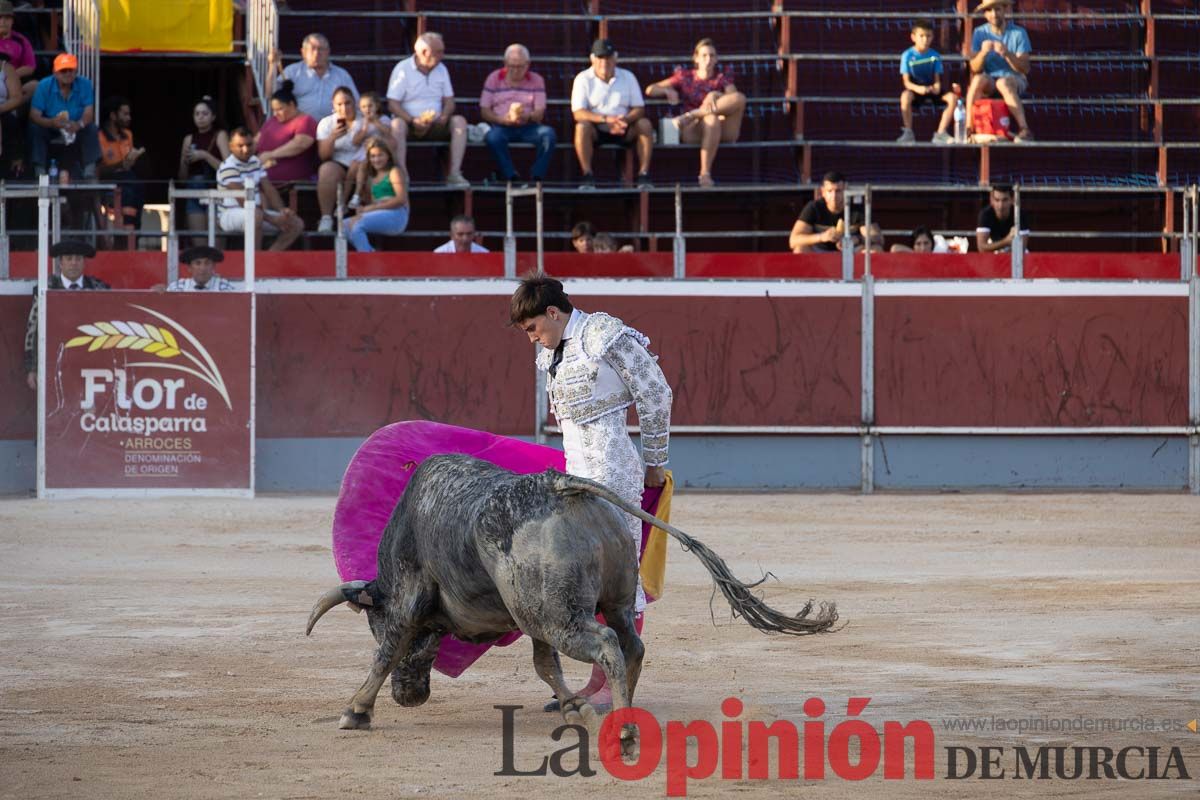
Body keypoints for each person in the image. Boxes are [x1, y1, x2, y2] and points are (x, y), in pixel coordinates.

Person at [509, 273, 672, 711]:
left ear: (553, 312)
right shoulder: (552, 354)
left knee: (617, 579)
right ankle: (598, 676)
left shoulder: (604, 334)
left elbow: (655, 392)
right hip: (575, 474)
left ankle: (612, 682)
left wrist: (655, 461)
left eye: (533, 328)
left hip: (614, 471)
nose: (532, 339)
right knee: (582, 574)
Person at [644, 38, 746, 187]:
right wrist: (667, 90)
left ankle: (695, 113)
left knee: (740, 98)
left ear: (716, 59)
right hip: (694, 128)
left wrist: (715, 95)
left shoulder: (722, 78)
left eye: (712, 55)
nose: (708, 59)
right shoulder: (685, 76)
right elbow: (650, 89)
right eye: (704, 55)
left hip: (719, 128)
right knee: (711, 119)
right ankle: (705, 174)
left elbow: (733, 99)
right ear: (696, 58)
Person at [23, 240, 109, 391]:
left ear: (84, 263)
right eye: (69, 258)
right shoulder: (45, 289)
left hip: (91, 362)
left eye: (78, 259)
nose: (74, 263)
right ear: (60, 263)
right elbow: (33, 330)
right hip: (55, 361)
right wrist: (32, 368)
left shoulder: (99, 288)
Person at [387, 32, 469, 188]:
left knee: (459, 122)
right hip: (409, 124)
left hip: (437, 123)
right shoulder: (403, 69)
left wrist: (445, 115)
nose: (442, 55)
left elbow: (449, 101)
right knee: (396, 125)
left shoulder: (442, 69)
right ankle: (403, 176)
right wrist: (411, 120)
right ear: (424, 52)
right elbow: (393, 104)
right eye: (438, 52)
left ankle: (455, 174)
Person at [571, 38, 652, 190]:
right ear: (592, 59)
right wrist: (605, 119)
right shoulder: (582, 79)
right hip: (597, 129)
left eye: (608, 57)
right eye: (600, 58)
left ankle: (644, 175)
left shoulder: (628, 77)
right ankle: (587, 175)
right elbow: (578, 113)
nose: (604, 62)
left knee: (645, 124)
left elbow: (639, 108)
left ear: (615, 58)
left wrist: (625, 119)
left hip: (624, 127)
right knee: (581, 127)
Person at [216, 126, 304, 251]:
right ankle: (254, 262)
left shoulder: (255, 161)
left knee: (296, 223)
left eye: (249, 144)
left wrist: (282, 210)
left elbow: (269, 189)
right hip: (228, 215)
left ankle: (267, 259)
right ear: (231, 146)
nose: (245, 149)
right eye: (240, 146)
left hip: (256, 212)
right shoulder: (227, 167)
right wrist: (273, 219)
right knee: (255, 216)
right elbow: (244, 201)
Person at [479, 43, 556, 184]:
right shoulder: (494, 78)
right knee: (493, 137)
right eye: (511, 66)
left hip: (528, 126)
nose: (515, 70)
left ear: (528, 64)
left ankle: (537, 176)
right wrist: (502, 120)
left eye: (520, 66)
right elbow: (484, 111)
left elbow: (539, 112)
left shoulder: (536, 80)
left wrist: (527, 116)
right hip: (501, 125)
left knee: (548, 134)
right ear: (505, 64)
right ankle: (510, 175)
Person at [966, 0, 1033, 143]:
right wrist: (983, 53)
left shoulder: (1018, 33)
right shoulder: (979, 33)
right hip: (990, 80)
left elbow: (1025, 68)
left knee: (1003, 83)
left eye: (997, 9)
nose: (994, 14)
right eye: (989, 10)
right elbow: (974, 67)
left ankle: (1024, 129)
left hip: (1014, 79)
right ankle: (968, 129)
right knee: (977, 80)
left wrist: (1007, 54)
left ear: (1005, 10)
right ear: (985, 14)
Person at [28, 53, 99, 180]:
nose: (68, 74)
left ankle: (90, 171)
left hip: (75, 126)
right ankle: (39, 171)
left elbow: (89, 113)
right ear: (55, 72)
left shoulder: (85, 84)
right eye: (63, 71)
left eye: (71, 70)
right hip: (51, 126)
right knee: (35, 128)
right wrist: (51, 122)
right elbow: (34, 115)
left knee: (91, 128)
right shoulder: (44, 85)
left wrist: (78, 124)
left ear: (76, 71)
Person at [266, 32, 358, 121]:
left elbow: (356, 101)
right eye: (313, 49)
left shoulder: (341, 75)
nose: (317, 53)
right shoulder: (293, 72)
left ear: (328, 52)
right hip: (299, 127)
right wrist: (272, 66)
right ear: (303, 52)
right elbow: (270, 93)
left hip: (334, 126)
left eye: (321, 49)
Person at [789, 171, 883, 253]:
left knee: (875, 250)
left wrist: (856, 239)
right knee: (799, 250)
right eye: (830, 191)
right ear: (823, 192)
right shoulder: (814, 207)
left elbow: (878, 239)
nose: (834, 196)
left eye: (838, 191)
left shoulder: (857, 208)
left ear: (846, 190)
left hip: (850, 252)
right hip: (820, 253)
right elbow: (793, 241)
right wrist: (822, 236)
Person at [896, 19, 957, 144]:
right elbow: (906, 82)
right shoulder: (907, 55)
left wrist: (936, 87)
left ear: (932, 37)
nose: (925, 39)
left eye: (928, 36)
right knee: (905, 97)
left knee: (953, 98)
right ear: (913, 37)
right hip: (916, 89)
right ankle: (908, 132)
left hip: (930, 89)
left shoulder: (935, 55)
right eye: (921, 36)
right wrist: (918, 89)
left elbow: (937, 80)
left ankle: (940, 133)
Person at [177, 96, 230, 238]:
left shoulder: (220, 135)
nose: (200, 117)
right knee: (198, 241)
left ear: (213, 117)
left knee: (217, 241)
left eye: (205, 114)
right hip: (193, 189)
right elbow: (182, 178)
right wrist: (185, 161)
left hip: (216, 189)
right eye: (197, 114)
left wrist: (205, 156)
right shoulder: (188, 139)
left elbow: (229, 170)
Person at [346, 137, 408, 252]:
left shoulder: (394, 171)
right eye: (372, 156)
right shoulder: (372, 177)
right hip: (381, 213)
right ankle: (369, 252)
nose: (376, 159)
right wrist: (363, 210)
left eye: (380, 155)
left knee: (357, 225)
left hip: (397, 215)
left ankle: (366, 260)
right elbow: (374, 203)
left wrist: (370, 208)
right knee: (344, 226)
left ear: (388, 155)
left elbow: (401, 199)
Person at [315, 85, 361, 233]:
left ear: (354, 102)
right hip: (339, 163)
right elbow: (323, 156)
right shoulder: (326, 123)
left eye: (347, 103)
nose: (344, 108)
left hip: (363, 164)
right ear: (333, 106)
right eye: (339, 104)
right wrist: (332, 138)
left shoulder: (364, 120)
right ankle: (326, 218)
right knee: (326, 170)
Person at [255, 80, 318, 187]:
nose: (275, 113)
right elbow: (255, 141)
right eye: (274, 110)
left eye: (280, 109)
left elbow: (300, 144)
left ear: (292, 105)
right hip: (261, 172)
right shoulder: (272, 120)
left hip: (289, 180)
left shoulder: (305, 120)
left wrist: (270, 155)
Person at [97, 95, 145, 227]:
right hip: (109, 180)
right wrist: (121, 165)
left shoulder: (128, 135)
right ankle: (124, 233)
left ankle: (134, 232)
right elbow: (98, 170)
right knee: (128, 190)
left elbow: (129, 164)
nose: (129, 118)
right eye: (125, 114)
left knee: (138, 186)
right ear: (113, 116)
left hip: (128, 178)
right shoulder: (99, 136)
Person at [0, 1, 37, 99]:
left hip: (14, 84)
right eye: (0, 17)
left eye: (7, 18)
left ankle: (13, 110)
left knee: (34, 86)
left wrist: (10, 77)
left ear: (12, 20)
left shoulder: (21, 40)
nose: (3, 21)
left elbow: (30, 67)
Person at [976, 183, 1026, 253]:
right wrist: (1006, 241)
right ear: (992, 199)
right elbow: (981, 248)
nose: (1000, 206)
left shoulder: (1020, 214)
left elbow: (1022, 247)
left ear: (1012, 199)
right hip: (993, 253)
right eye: (997, 200)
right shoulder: (985, 214)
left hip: (1014, 254)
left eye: (1005, 200)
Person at [166, 245, 237, 291]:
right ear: (189, 268)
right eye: (198, 263)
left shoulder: (224, 287)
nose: (203, 268)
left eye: (207, 263)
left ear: (213, 267)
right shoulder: (177, 287)